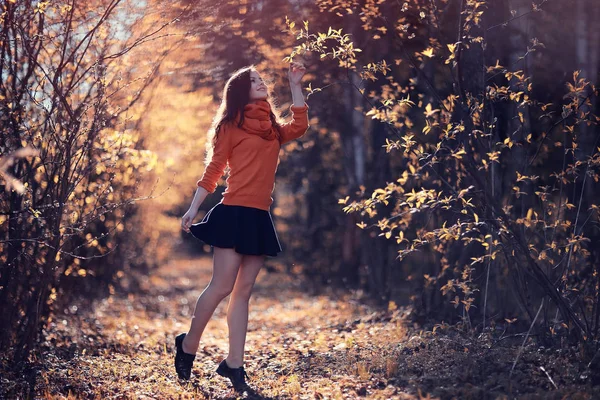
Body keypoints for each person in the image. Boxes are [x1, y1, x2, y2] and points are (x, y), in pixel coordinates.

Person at [176, 61, 309, 392]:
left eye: (262, 79)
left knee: (244, 291)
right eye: (254, 80)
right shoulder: (230, 127)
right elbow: (214, 169)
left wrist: (295, 85)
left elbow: (300, 125)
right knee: (222, 286)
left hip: (259, 216)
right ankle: (188, 345)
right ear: (239, 90)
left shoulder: (272, 128)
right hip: (233, 212)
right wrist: (193, 209)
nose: (261, 82)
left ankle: (234, 364)